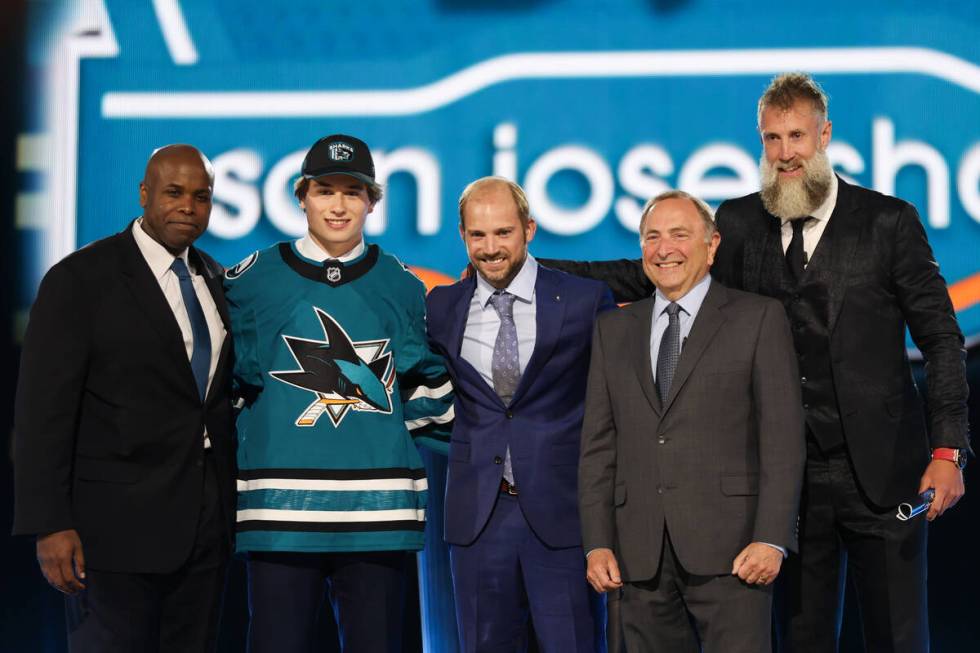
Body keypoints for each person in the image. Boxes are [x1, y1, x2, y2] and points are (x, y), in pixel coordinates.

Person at [548, 73, 971, 652]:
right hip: (788, 482)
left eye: (796, 136)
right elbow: (655, 272)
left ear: (825, 135)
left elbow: (943, 339)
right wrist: (535, 273)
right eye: (772, 139)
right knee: (801, 638)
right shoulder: (741, 222)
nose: (785, 153)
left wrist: (948, 450)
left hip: (884, 472)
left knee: (898, 636)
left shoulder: (887, 222)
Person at [224, 134, 454, 653]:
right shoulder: (250, 282)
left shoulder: (403, 285)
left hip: (377, 518)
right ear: (300, 195)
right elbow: (230, 389)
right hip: (279, 516)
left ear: (372, 201)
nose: (338, 205)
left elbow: (429, 390)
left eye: (353, 192)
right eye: (325, 190)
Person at [12, 144, 236, 652]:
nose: (187, 206)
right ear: (144, 193)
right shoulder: (80, 279)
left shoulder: (216, 279)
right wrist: (49, 524)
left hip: (203, 531)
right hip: (109, 532)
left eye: (201, 197)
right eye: (174, 192)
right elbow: (42, 413)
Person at [579, 189, 805, 652]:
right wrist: (597, 542)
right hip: (637, 558)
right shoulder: (613, 329)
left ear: (712, 244)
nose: (665, 249)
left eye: (680, 235)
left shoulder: (758, 318)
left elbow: (782, 440)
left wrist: (772, 538)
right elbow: (598, 447)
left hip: (736, 554)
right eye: (652, 237)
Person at [425, 176, 616, 652]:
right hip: (478, 518)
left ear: (529, 229)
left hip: (563, 515)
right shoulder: (441, 306)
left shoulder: (582, 300)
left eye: (503, 233)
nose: (490, 248)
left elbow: (615, 403)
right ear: (463, 235)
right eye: (477, 235)